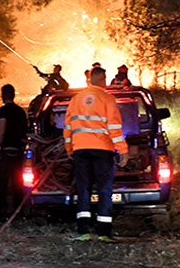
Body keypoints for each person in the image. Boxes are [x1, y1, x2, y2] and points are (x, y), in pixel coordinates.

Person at [64, 67, 128, 242]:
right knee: (104, 189)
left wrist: (70, 149)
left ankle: (83, 230)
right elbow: (114, 127)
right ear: (103, 79)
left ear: (89, 79)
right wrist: (123, 150)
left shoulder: (76, 100)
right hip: (102, 150)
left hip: (80, 151)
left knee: (83, 189)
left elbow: (68, 127)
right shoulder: (108, 99)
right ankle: (104, 232)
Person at [0, 84, 29, 216]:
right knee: (18, 182)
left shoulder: (3, 111)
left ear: (2, 96)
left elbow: (1, 132)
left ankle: (1, 210)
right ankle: (18, 210)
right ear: (14, 95)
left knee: (3, 181)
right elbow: (26, 133)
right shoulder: (21, 112)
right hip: (19, 152)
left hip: (6, 151)